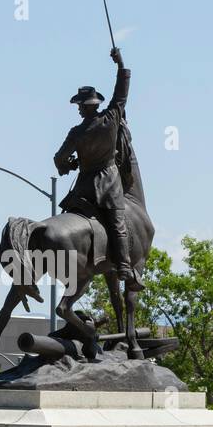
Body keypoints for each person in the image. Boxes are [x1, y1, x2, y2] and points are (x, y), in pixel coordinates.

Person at [53, 46, 143, 290]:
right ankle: (124, 266)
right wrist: (119, 62)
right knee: (117, 223)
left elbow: (59, 159)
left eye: (80, 105)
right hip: (109, 184)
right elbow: (122, 92)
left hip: (84, 188)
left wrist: (71, 165)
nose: (79, 108)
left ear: (85, 106)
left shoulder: (77, 132)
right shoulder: (111, 118)